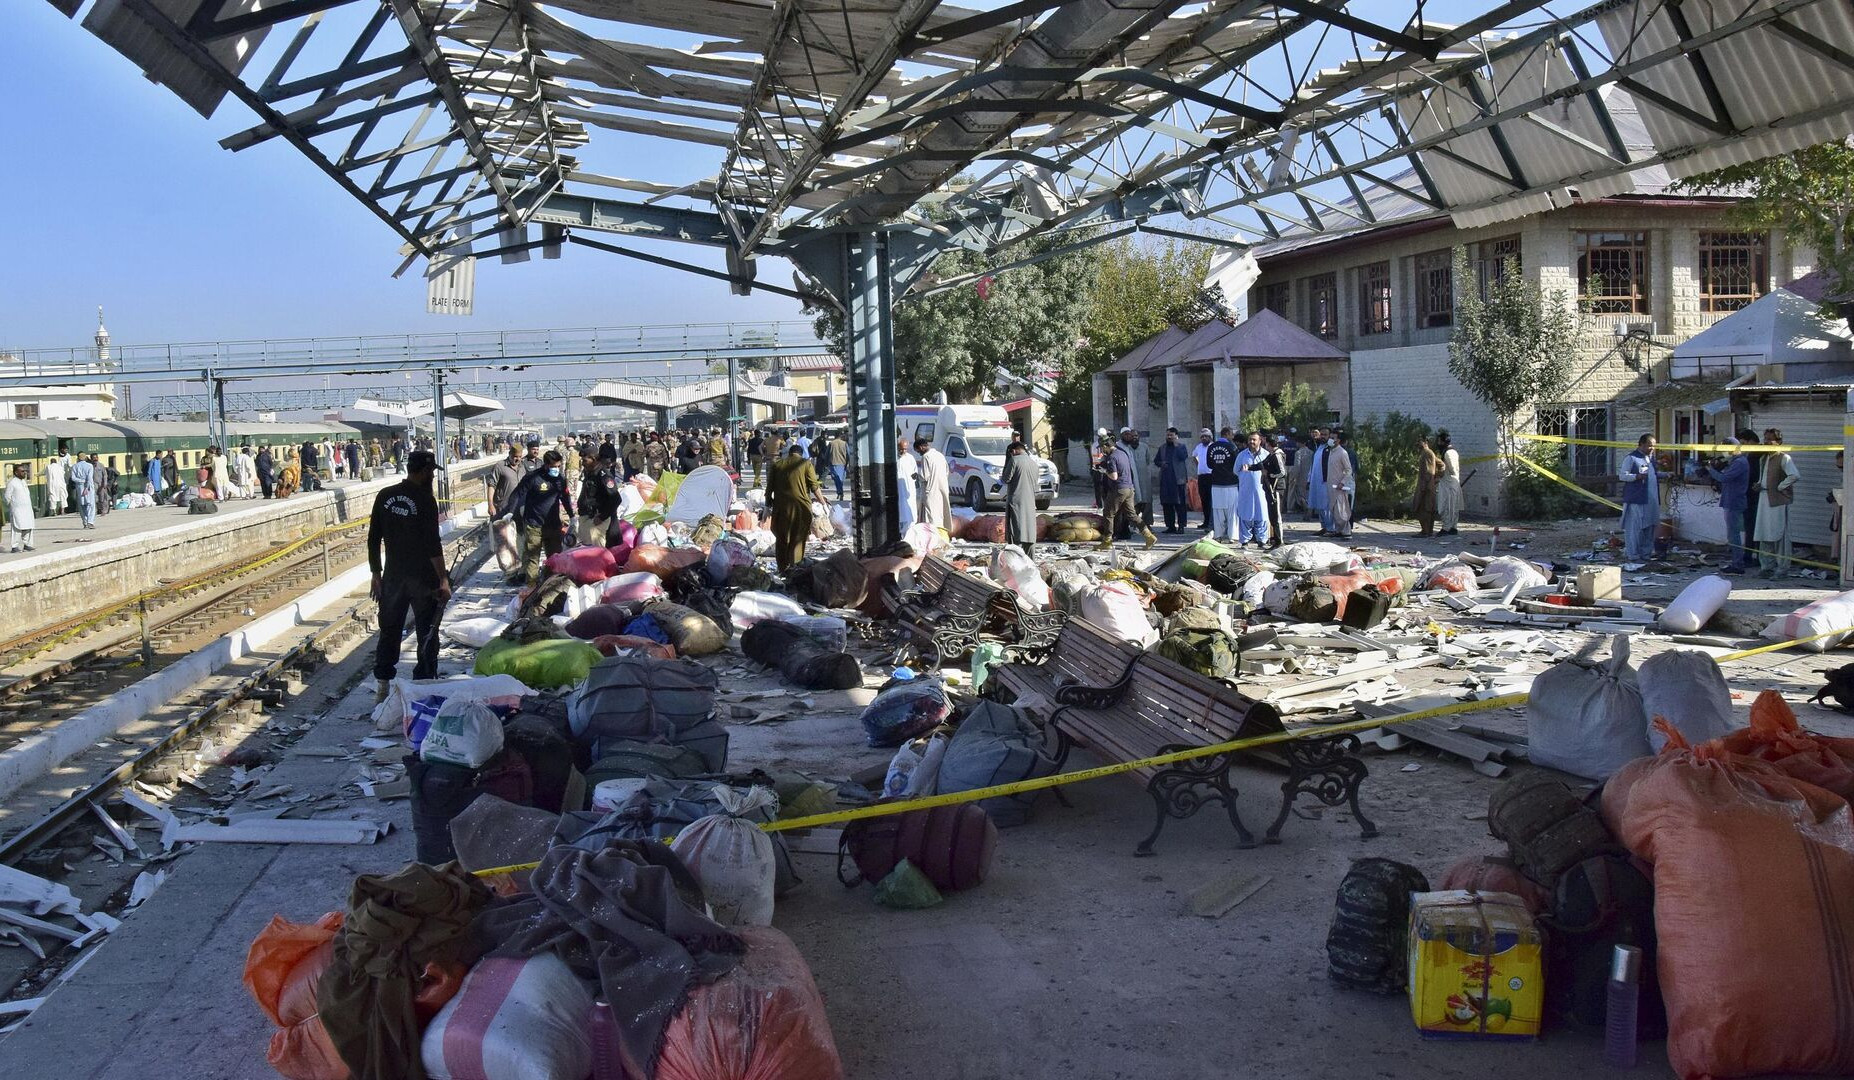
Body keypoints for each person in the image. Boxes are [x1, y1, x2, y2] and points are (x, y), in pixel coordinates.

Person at [368, 450, 450, 703]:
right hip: (422, 578)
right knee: (427, 630)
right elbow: (432, 545)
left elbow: (373, 538)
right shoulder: (425, 500)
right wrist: (443, 579)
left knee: (390, 630)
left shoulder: (385, 496)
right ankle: (423, 684)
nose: (432, 477)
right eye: (432, 472)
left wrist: (376, 574)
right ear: (424, 471)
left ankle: (382, 686)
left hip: (393, 576)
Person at [503, 449, 576, 586]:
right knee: (533, 559)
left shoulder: (560, 480)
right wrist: (510, 512)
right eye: (554, 466)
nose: (556, 469)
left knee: (555, 558)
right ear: (546, 465)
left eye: (558, 466)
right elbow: (517, 494)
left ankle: (552, 585)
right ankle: (532, 588)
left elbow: (565, 498)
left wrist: (572, 517)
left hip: (553, 525)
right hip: (534, 525)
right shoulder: (533, 478)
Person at [766, 443, 824, 571]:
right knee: (797, 538)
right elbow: (814, 486)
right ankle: (795, 567)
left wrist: (767, 504)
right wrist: (823, 502)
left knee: (781, 539)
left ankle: (782, 568)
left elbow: (769, 487)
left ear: (789, 453)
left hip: (781, 508)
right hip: (801, 508)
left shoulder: (777, 464)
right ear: (801, 454)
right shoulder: (805, 464)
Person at [1754, 427, 1799, 578]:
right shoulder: (1764, 458)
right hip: (1764, 498)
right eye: (1765, 439)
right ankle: (1766, 567)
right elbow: (1764, 478)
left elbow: (1794, 475)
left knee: (1779, 534)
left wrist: (1780, 486)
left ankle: (1782, 569)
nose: (1766, 442)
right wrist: (1759, 484)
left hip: (1777, 501)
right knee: (1764, 533)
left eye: (1769, 439)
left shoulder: (1784, 458)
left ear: (1778, 442)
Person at [1100, 434, 1156, 550]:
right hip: (1129, 488)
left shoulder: (1112, 458)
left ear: (1106, 446)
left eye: (1102, 448)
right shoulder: (1123, 453)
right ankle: (1149, 536)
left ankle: (1107, 541)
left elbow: (1114, 476)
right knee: (1132, 515)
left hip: (1118, 489)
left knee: (1108, 513)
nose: (1102, 450)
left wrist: (1104, 471)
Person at [1706, 437, 1753, 572]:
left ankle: (1738, 564)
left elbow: (1724, 478)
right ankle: (1736, 561)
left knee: (1734, 534)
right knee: (1732, 534)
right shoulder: (1735, 462)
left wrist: (1710, 470)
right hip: (1730, 500)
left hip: (1735, 501)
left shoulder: (1740, 462)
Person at [1618, 434, 1662, 564]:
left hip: (1651, 500)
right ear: (1641, 444)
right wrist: (1636, 477)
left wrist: (1666, 474)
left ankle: (1646, 555)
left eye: (1653, 445)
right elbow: (1622, 476)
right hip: (1636, 499)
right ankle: (1633, 555)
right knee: (1634, 529)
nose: (1652, 448)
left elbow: (1653, 475)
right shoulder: (1631, 458)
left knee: (1649, 528)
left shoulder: (1651, 459)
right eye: (1649, 445)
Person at [1002, 439, 1039, 555]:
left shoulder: (1014, 460)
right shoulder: (1033, 463)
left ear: (1013, 451)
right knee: (1029, 534)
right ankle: (1030, 563)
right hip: (1030, 503)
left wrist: (1007, 460)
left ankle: (1016, 560)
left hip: (1016, 503)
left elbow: (1005, 478)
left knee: (1015, 534)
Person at [1234, 432, 1270, 547]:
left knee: (1262, 515)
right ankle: (1244, 540)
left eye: (1254, 440)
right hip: (1246, 490)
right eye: (1250, 439)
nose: (1252, 442)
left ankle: (1262, 540)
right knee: (1245, 514)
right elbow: (1236, 470)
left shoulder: (1266, 455)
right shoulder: (1242, 455)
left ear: (1260, 441)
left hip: (1262, 490)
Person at [1115, 428, 1153, 537]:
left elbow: (1147, 460)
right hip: (1129, 482)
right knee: (1130, 507)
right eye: (1131, 435)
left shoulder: (1143, 447)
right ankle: (1131, 528)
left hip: (1140, 480)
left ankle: (1147, 526)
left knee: (1145, 502)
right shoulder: (1123, 448)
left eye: (1134, 435)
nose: (1133, 437)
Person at [1205, 428, 1240, 542]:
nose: (1233, 437)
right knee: (1232, 511)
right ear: (1227, 434)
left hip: (1216, 483)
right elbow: (1237, 463)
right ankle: (1232, 536)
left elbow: (1209, 464)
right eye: (1231, 434)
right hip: (1231, 483)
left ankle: (1218, 535)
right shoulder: (1232, 447)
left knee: (1217, 511)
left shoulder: (1211, 447)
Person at [1155, 428, 1192, 534]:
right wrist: (1161, 464)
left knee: (1180, 505)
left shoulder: (1181, 447)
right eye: (1167, 435)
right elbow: (1156, 461)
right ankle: (1170, 526)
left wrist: (1176, 445)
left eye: (1171, 435)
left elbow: (1183, 457)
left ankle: (1181, 526)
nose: (1169, 437)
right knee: (1167, 504)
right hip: (1165, 481)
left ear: (1176, 436)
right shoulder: (1162, 448)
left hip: (1178, 481)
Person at [579, 452, 620, 546]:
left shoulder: (603, 475)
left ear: (593, 459)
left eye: (585, 460)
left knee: (596, 553)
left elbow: (616, 499)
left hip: (596, 519)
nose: (582, 463)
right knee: (586, 550)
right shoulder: (589, 473)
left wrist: (602, 517)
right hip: (587, 517)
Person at [915, 436, 953, 533]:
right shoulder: (940, 455)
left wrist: (916, 475)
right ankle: (943, 533)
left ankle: (932, 536)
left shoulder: (926, 457)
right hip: (942, 488)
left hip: (931, 491)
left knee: (931, 515)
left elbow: (924, 476)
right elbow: (947, 471)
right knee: (941, 512)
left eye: (918, 451)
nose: (919, 453)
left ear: (921, 447)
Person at [1326, 431, 1356, 539]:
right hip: (1331, 485)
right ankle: (1339, 530)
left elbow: (1348, 470)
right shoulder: (1331, 452)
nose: (1330, 439)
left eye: (1333, 437)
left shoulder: (1342, 453)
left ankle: (1346, 532)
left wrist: (1342, 482)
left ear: (1338, 440)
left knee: (1341, 510)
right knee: (1333, 509)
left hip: (1339, 486)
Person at [1262, 433, 1288, 548]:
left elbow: (1282, 472)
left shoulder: (1277, 455)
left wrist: (1271, 475)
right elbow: (1263, 464)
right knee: (1272, 515)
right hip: (1270, 488)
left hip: (1276, 488)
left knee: (1276, 516)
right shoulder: (1271, 455)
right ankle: (1274, 540)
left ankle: (1279, 541)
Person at [1413, 435, 1442, 537]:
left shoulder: (1427, 453)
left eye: (1419, 441)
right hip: (1427, 484)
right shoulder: (1427, 453)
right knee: (1422, 507)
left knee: (1425, 508)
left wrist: (1433, 480)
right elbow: (1441, 464)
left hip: (1426, 486)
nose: (1417, 444)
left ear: (1425, 442)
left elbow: (1429, 471)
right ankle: (1426, 531)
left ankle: (1426, 531)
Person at [1436, 430, 1462, 536]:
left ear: (1443, 442)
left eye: (1439, 441)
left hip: (1448, 483)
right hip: (1453, 482)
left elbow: (1452, 469)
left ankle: (1446, 528)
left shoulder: (1447, 453)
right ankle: (1453, 527)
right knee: (1453, 506)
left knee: (1447, 505)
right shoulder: (1454, 451)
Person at [487, 445, 524, 520]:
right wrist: (490, 504)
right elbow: (491, 485)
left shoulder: (522, 467)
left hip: (517, 508)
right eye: (515, 456)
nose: (518, 459)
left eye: (520, 457)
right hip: (502, 509)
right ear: (510, 454)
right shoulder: (500, 466)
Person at [4, 464, 34, 553]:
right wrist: (13, 506)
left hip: (27, 509)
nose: (24, 473)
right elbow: (7, 497)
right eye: (22, 471)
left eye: (25, 471)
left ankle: (27, 545)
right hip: (17, 510)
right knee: (17, 528)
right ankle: (15, 546)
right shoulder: (12, 483)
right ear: (16, 472)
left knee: (28, 526)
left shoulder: (23, 482)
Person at [1307, 427, 1332, 532]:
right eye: (1321, 434)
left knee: (1327, 505)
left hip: (1326, 481)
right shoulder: (1319, 447)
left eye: (1325, 434)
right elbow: (1313, 465)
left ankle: (1331, 528)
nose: (1322, 436)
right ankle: (1324, 526)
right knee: (1319, 505)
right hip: (1316, 480)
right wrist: (1309, 479)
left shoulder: (1331, 448)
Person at [896, 436, 920, 530]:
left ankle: (911, 526)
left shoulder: (910, 458)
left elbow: (915, 472)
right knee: (901, 508)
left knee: (910, 507)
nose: (903, 451)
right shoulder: (896, 458)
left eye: (905, 449)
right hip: (899, 487)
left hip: (908, 487)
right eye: (901, 449)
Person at [1193, 428, 1215, 530]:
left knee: (1211, 500)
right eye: (1202, 437)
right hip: (1201, 476)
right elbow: (1194, 456)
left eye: (1206, 436)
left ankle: (1212, 522)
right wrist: (1199, 465)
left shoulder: (1213, 446)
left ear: (1210, 437)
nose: (1204, 438)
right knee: (1204, 500)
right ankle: (1206, 521)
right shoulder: (1199, 447)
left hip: (1211, 476)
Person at [70, 452, 97, 529]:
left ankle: (85, 522)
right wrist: (86, 487)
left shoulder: (74, 466)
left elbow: (73, 478)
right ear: (85, 458)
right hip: (88, 488)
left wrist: (81, 481)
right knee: (91, 505)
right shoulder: (89, 466)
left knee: (82, 505)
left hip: (79, 488)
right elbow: (89, 478)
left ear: (78, 458)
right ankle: (90, 522)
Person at [822, 431, 850, 499]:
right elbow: (848, 454)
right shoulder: (844, 443)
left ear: (835, 436)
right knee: (841, 479)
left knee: (836, 479)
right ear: (840, 436)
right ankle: (840, 492)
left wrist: (825, 463)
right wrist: (848, 463)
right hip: (843, 464)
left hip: (833, 463)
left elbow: (827, 454)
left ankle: (840, 492)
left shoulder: (831, 443)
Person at [45, 451, 68, 517]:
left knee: (53, 497)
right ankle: (62, 511)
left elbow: (45, 473)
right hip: (61, 484)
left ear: (51, 462)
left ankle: (54, 512)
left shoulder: (48, 467)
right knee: (63, 496)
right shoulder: (60, 467)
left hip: (52, 484)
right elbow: (63, 473)